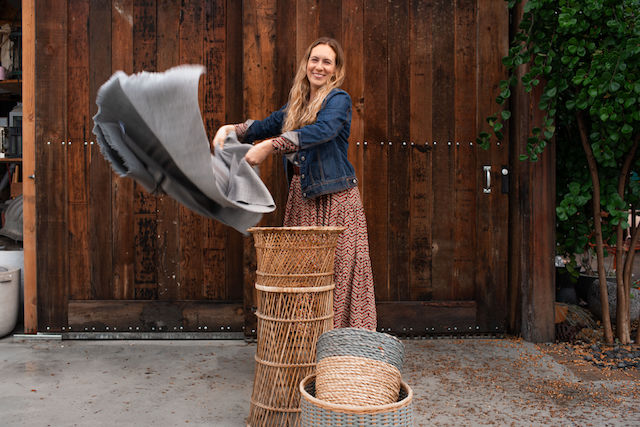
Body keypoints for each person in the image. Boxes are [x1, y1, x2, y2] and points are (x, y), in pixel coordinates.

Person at [213, 37, 376, 330]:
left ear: (336, 69)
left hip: (335, 199)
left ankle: (340, 347)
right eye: (315, 60)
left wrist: (271, 146)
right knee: (306, 274)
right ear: (306, 63)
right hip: (302, 198)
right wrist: (232, 130)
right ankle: (309, 345)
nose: (319, 67)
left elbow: (322, 130)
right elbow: (264, 125)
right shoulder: (297, 103)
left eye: (327, 62)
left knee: (336, 274)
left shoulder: (337, 99)